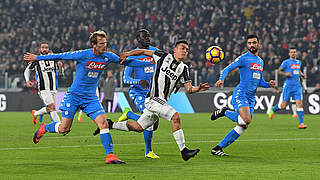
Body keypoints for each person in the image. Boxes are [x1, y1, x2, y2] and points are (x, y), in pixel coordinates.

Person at [24, 30, 152, 164]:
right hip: (74, 96)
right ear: (93, 44)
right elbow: (60, 55)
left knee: (103, 123)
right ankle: (44, 127)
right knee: (64, 129)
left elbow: (128, 62)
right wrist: (37, 58)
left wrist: (150, 62)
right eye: (101, 43)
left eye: (105, 43)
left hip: (90, 98)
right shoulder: (83, 54)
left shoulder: (108, 56)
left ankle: (110, 156)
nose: (105, 46)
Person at [108, 39, 210, 161]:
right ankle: (184, 151)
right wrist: (128, 54)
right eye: (182, 48)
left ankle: (110, 124)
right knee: (175, 117)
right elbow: (143, 51)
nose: (185, 51)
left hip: (161, 102)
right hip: (153, 99)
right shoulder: (163, 56)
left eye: (187, 50)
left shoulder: (184, 68)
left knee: (139, 127)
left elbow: (188, 89)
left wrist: (198, 88)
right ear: (175, 49)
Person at [210, 35, 276, 156]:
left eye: (254, 43)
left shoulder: (261, 61)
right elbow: (227, 69)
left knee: (243, 125)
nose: (252, 45)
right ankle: (224, 111)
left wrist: (268, 84)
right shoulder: (244, 58)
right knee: (246, 119)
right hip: (241, 94)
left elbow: (259, 80)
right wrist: (221, 79)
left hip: (251, 97)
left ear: (258, 44)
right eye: (249, 43)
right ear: (247, 45)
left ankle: (218, 148)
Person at [269, 47, 308, 129]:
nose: (293, 53)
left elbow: (298, 70)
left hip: (297, 86)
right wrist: (285, 74)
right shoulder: (286, 62)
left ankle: (301, 123)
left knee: (299, 104)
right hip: (288, 86)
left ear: (296, 53)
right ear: (289, 54)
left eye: (294, 52)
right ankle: (273, 109)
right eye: (291, 52)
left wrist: (302, 75)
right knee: (283, 105)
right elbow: (279, 71)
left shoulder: (298, 62)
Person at [24, 42, 62, 125]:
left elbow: (61, 74)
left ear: (48, 49)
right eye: (43, 47)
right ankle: (59, 126)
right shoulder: (36, 59)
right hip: (43, 88)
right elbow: (27, 70)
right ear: (40, 49)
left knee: (50, 108)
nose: (45, 49)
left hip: (53, 88)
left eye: (46, 47)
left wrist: (61, 67)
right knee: (52, 107)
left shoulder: (54, 59)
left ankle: (35, 113)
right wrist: (27, 80)